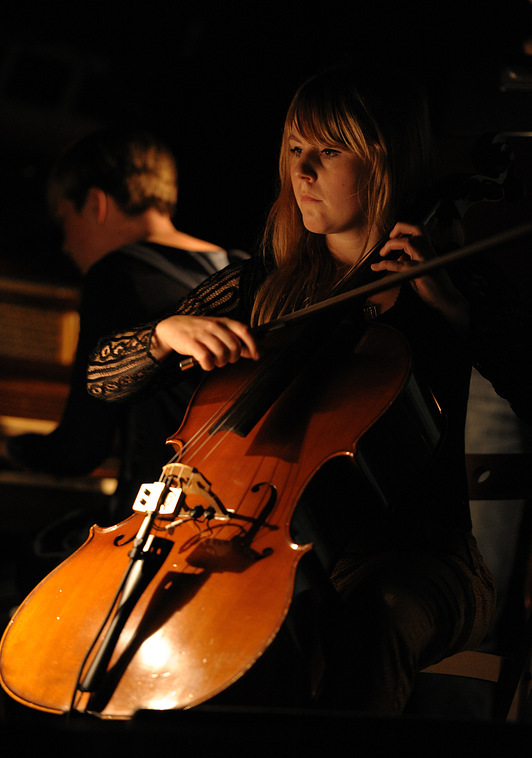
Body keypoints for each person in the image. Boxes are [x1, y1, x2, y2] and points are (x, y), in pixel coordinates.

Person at [84, 62, 518, 716]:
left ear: (385, 161)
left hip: (419, 562)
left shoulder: (450, 284)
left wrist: (461, 317)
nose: (303, 171)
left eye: (330, 150)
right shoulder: (259, 285)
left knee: (366, 619)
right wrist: (163, 335)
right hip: (261, 544)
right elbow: (102, 379)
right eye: (294, 149)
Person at [2, 129, 238, 532]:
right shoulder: (237, 265)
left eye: (65, 221)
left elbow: (79, 451)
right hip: (232, 498)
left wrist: (11, 445)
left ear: (95, 203)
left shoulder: (115, 274)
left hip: (158, 520)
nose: (64, 244)